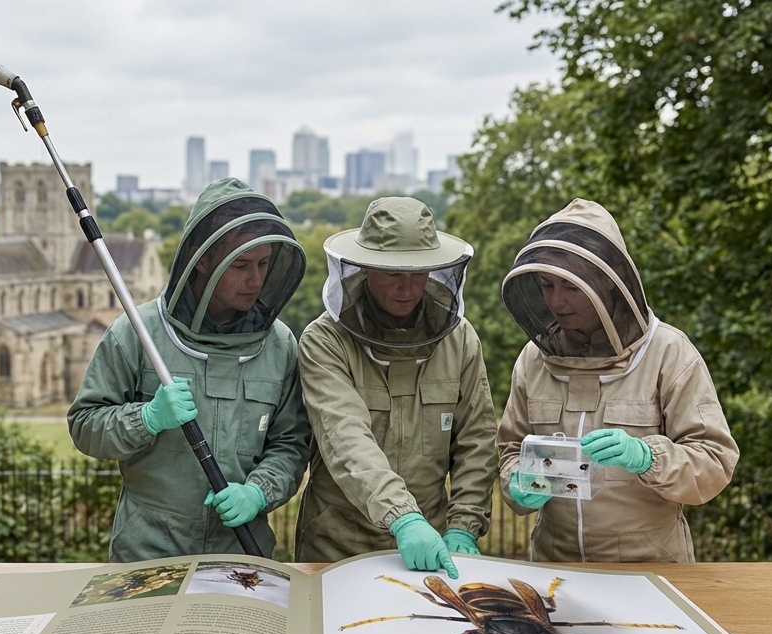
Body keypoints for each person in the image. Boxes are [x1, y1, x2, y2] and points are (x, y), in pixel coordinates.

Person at [67, 178, 310, 562]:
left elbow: (291, 444)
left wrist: (259, 491)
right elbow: (85, 426)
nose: (256, 280)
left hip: (241, 556)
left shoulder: (280, 344)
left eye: (264, 264)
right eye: (241, 265)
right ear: (201, 260)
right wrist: (144, 419)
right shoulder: (136, 332)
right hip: (147, 554)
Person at [497, 198, 739, 562]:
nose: (557, 301)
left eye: (572, 287)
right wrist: (518, 482)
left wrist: (647, 457)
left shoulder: (669, 353)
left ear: (609, 283)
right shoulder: (533, 359)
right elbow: (510, 450)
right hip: (554, 565)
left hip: (649, 568)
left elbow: (714, 462)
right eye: (546, 285)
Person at [295, 197, 497, 578]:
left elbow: (477, 440)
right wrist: (402, 518)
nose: (407, 288)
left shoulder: (461, 340)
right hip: (337, 545)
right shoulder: (325, 341)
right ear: (366, 268)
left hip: (431, 547)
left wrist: (463, 526)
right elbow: (345, 437)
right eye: (393, 275)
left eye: (418, 274)